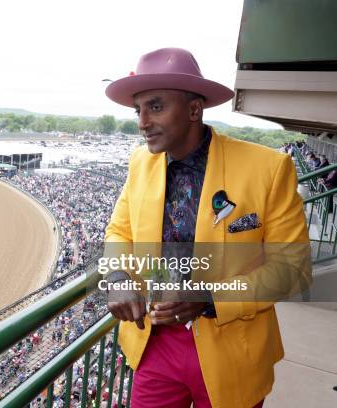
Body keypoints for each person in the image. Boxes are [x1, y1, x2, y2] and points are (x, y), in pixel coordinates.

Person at [103, 48, 311, 408]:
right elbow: (119, 232)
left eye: (155, 107)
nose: (142, 122)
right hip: (155, 342)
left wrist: (210, 297)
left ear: (194, 109)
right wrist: (119, 278)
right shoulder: (140, 162)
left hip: (234, 347)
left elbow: (291, 270)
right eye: (139, 110)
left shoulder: (268, 169)